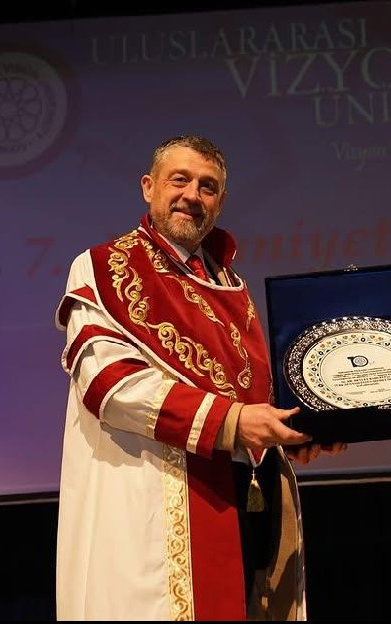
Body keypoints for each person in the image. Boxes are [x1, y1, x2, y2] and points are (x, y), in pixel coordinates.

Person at [53, 135, 345, 621]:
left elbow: (253, 400)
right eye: (180, 180)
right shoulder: (105, 266)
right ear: (148, 187)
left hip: (246, 503)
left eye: (208, 187)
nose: (193, 194)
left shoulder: (233, 286)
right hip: (157, 505)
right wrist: (234, 423)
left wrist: (287, 436)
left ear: (221, 202)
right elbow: (109, 384)